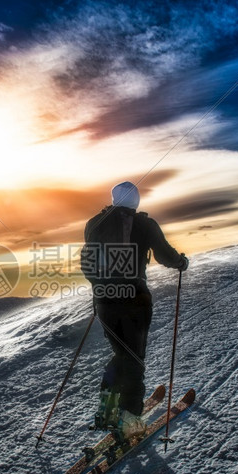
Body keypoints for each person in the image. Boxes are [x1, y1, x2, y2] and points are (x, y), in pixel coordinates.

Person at [82, 181, 188, 441]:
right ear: (136, 201)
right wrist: (181, 262)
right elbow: (164, 255)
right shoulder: (145, 225)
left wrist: (101, 288)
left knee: (121, 352)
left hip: (106, 303)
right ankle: (129, 421)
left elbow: (88, 262)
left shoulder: (94, 223)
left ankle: (107, 407)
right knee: (134, 359)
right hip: (135, 301)